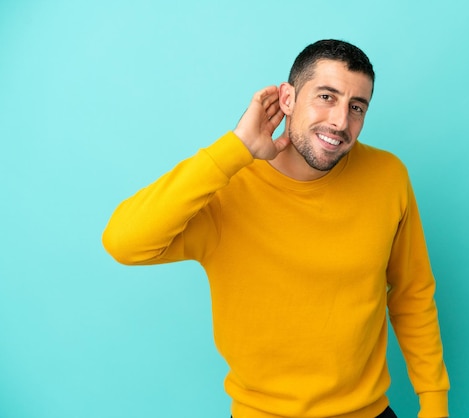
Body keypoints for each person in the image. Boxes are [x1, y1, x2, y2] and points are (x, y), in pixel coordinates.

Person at [102, 39, 450, 418]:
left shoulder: (388, 177)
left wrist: (434, 402)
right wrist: (234, 148)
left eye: (356, 107)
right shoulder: (228, 189)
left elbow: (411, 292)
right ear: (287, 98)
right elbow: (124, 243)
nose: (340, 121)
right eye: (326, 97)